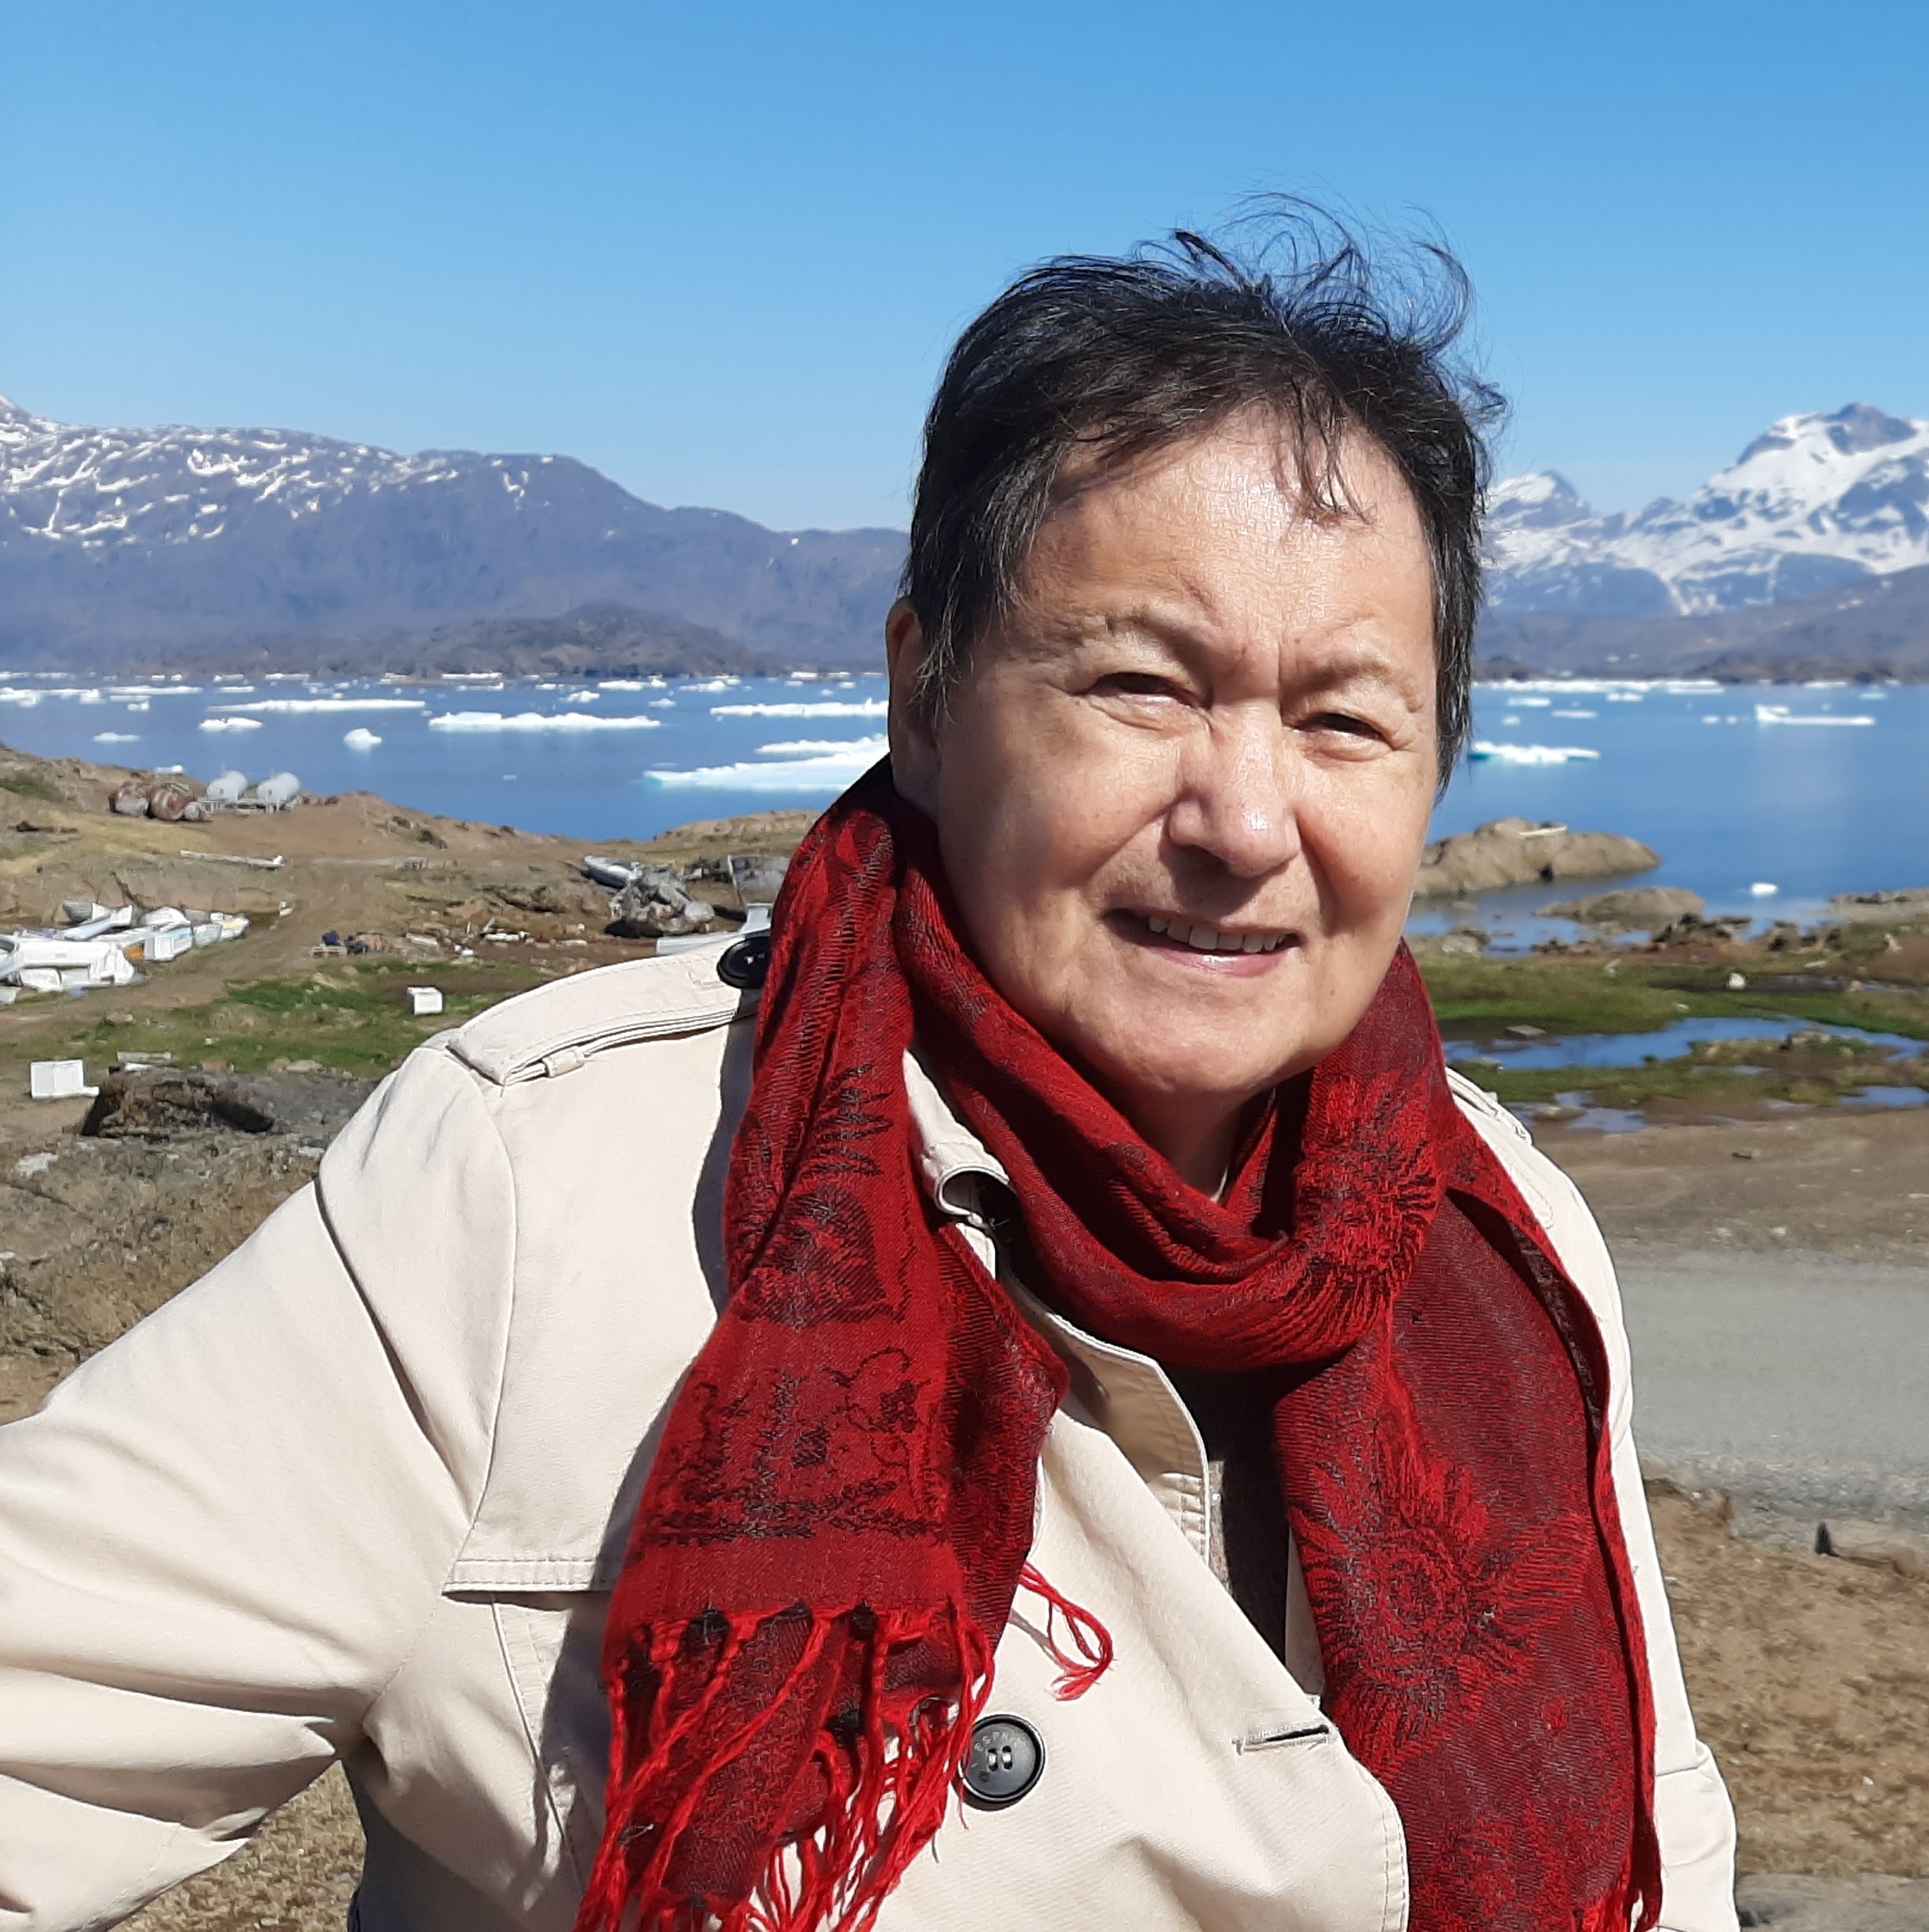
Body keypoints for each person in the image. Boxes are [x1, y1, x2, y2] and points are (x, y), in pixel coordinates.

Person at [0, 222, 1736, 1932]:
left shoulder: (1499, 1230)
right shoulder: (537, 1193)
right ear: (924, 697)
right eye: (1141, 684)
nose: (1246, 821)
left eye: (1347, 717)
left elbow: (1661, 1860)